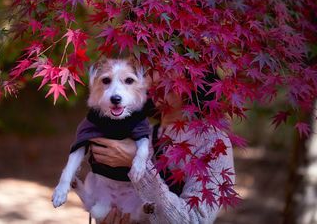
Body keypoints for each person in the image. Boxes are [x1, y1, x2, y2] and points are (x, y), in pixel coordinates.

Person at [89, 91, 235, 224]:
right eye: (152, 70)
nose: (159, 77)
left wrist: (139, 165)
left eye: (170, 68)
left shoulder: (212, 141)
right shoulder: (137, 137)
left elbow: (194, 220)